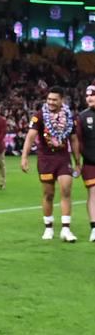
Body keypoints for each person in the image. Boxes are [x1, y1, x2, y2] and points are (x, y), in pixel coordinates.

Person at [21, 86, 80, 242]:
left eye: (54, 99)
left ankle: (66, 229)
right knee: (48, 194)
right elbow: (30, 137)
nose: (51, 102)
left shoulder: (69, 116)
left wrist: (78, 162)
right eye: (49, 99)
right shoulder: (39, 116)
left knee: (66, 190)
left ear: (62, 100)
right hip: (45, 159)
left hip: (63, 158)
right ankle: (49, 228)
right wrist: (24, 157)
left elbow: (73, 140)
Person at [76, 85, 95, 242]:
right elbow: (78, 142)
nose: (89, 98)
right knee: (93, 193)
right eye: (88, 96)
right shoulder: (82, 117)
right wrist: (78, 160)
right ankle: (94, 228)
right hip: (90, 163)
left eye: (93, 95)